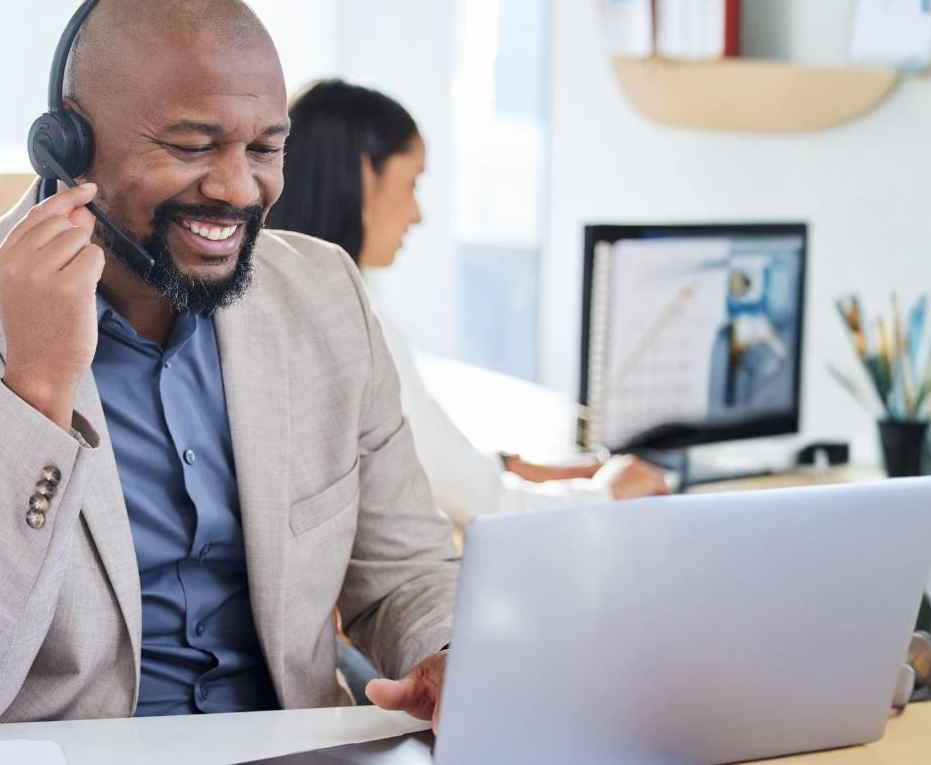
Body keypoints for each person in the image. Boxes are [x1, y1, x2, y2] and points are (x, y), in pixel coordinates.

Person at [0, 0, 457, 737]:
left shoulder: (323, 294)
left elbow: (405, 575)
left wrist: (445, 650)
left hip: (291, 751)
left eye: (265, 147)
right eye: (192, 146)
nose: (237, 188)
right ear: (69, 141)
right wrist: (36, 387)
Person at [267, 79, 669, 528]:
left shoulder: (275, 299)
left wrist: (530, 472)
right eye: (411, 182)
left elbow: (426, 463)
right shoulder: (356, 326)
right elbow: (486, 510)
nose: (417, 214)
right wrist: (609, 492)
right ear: (363, 174)